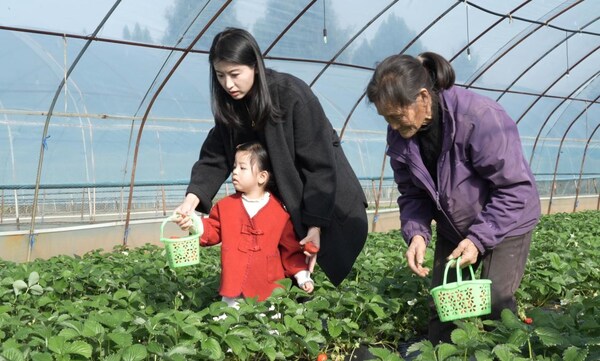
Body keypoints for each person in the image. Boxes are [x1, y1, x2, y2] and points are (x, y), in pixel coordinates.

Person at [366, 52, 541, 344]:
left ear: (423, 96)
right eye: (387, 120)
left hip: (507, 221)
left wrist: (478, 239)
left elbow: (515, 188)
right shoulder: (400, 134)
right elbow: (412, 193)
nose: (394, 127)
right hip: (453, 224)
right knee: (445, 309)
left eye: (397, 117)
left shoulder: (479, 118)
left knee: (495, 304)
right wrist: (417, 234)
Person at [174, 27, 368, 286]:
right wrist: (192, 198)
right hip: (283, 208)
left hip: (324, 202)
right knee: (281, 274)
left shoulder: (291, 96)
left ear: (254, 65)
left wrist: (314, 225)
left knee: (316, 274)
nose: (228, 84)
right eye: (220, 76)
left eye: (234, 74)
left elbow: (319, 166)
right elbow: (215, 155)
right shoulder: (231, 106)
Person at [186, 141, 313, 305]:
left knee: (270, 328)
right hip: (233, 288)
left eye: (242, 168)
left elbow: (290, 250)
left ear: (262, 177)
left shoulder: (280, 213)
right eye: (234, 167)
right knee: (230, 323)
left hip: (269, 289)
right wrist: (194, 223)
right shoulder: (225, 207)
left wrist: (302, 276)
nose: (235, 172)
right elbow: (213, 231)